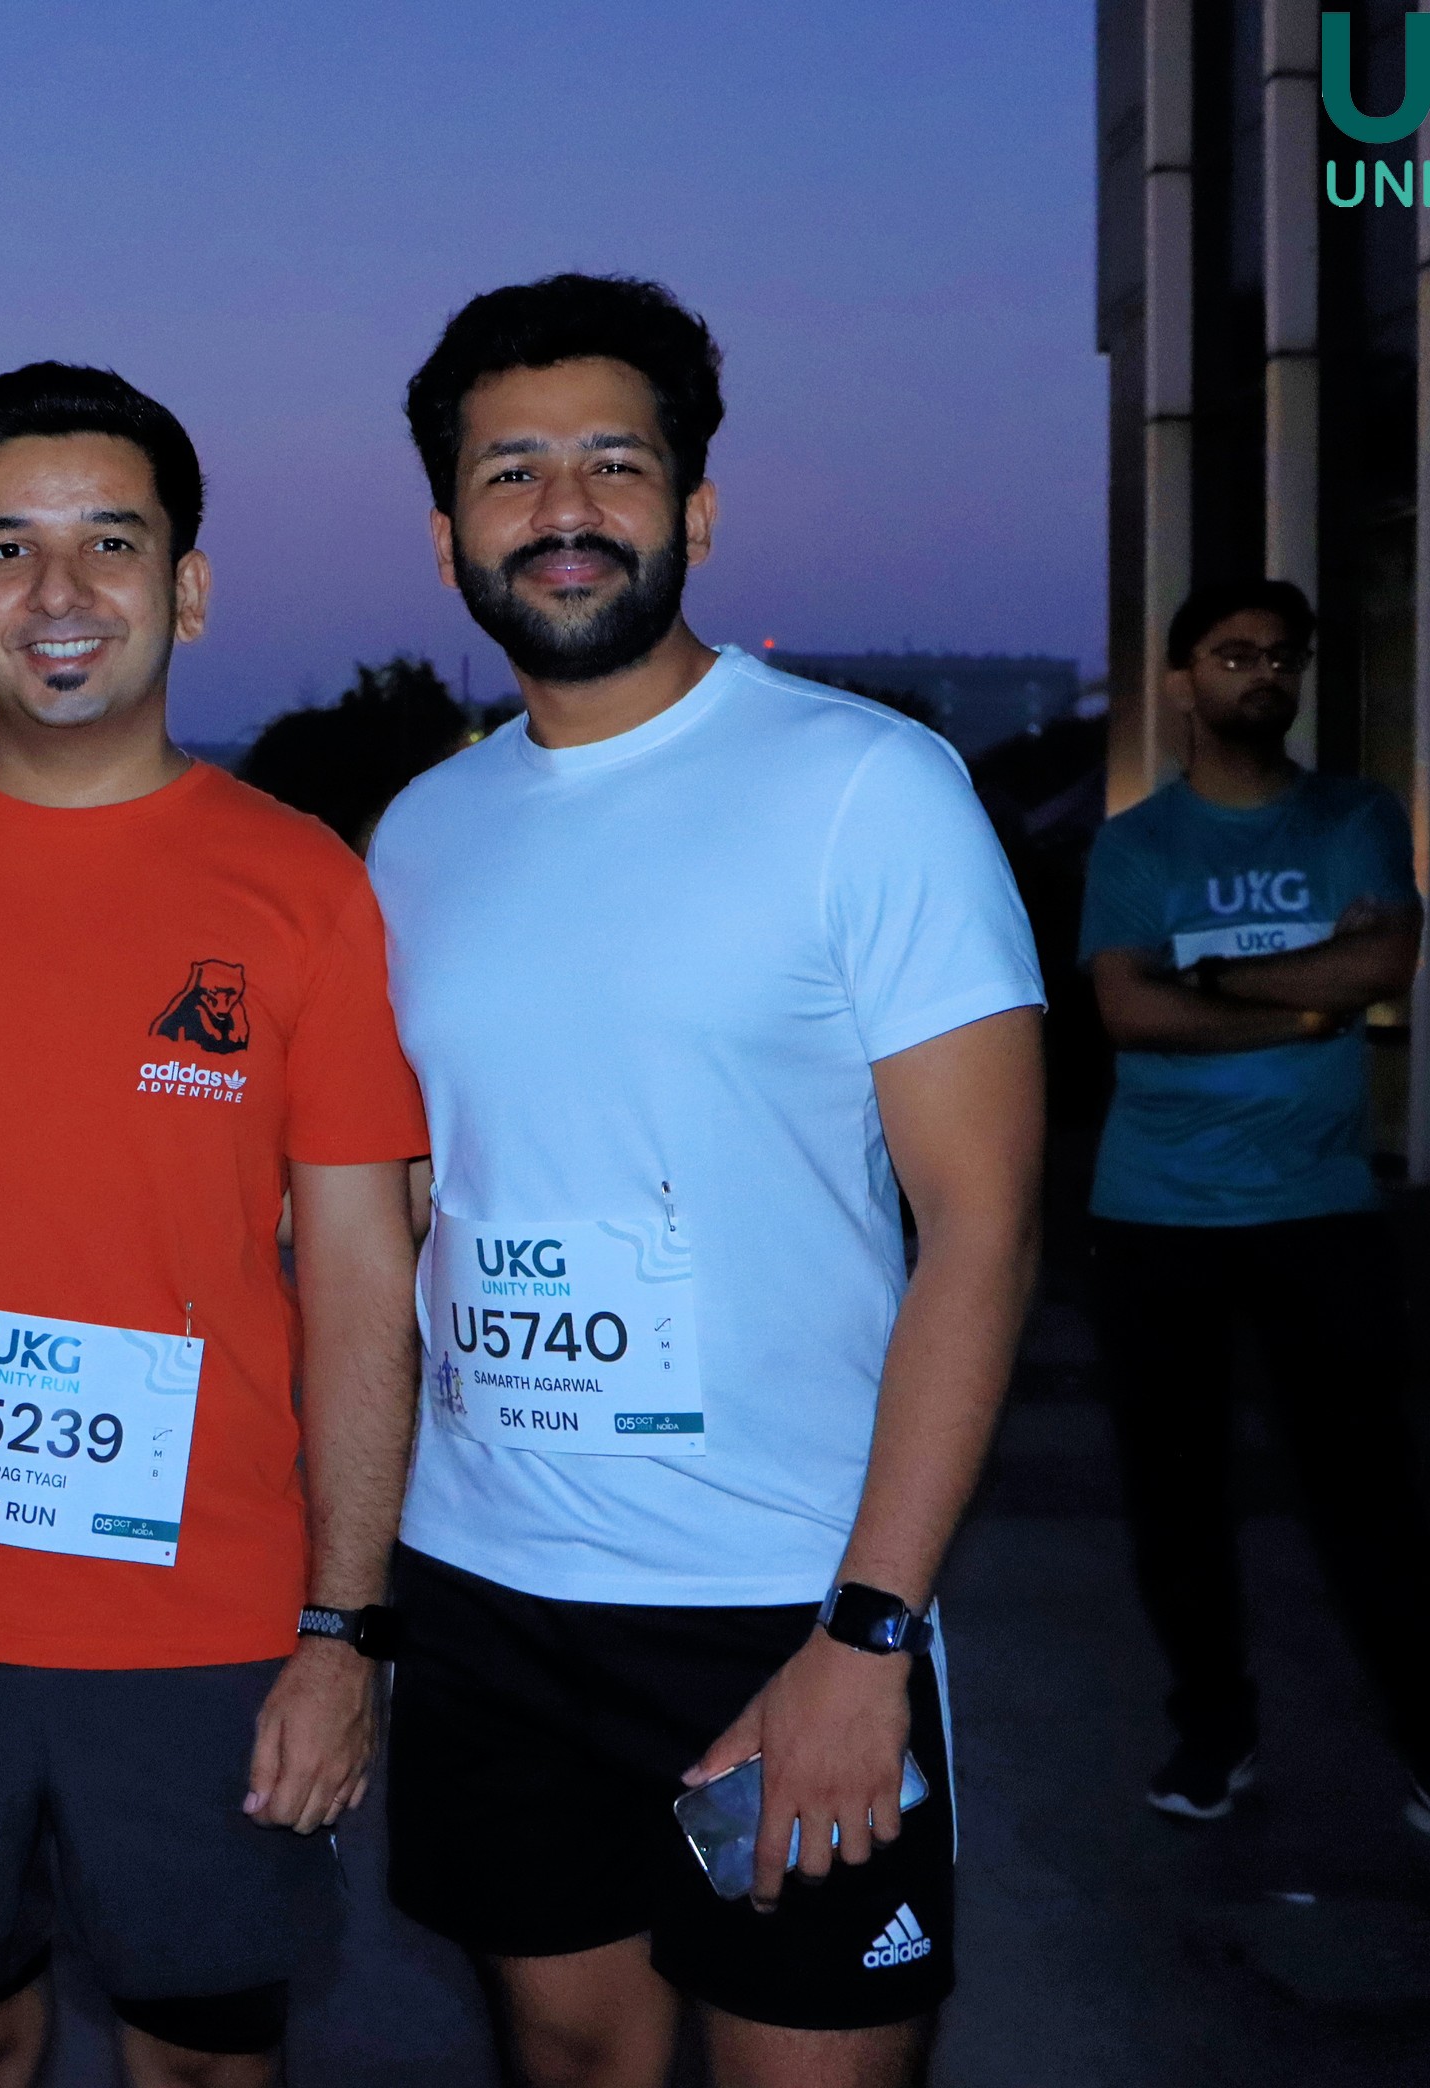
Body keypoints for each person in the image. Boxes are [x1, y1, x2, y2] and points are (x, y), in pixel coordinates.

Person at [365, 275, 1047, 2088]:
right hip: (488, 1597)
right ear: (447, 535)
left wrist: (868, 1631)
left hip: (780, 1606)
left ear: (698, 508)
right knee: (570, 2061)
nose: (564, 508)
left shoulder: (869, 790)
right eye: (511, 472)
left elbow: (983, 1229)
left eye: (614, 462)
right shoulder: (420, 835)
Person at [0, 363, 430, 2088]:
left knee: (203, 2060)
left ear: (187, 587)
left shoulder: (303, 888)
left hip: (205, 1626)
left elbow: (361, 1283)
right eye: (7, 548)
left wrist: (344, 1632)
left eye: (110, 543)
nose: (58, 592)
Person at [1079, 579, 1430, 1869]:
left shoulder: (1355, 815)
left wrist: (1211, 976)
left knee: (1368, 1506)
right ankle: (1213, 1735)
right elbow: (1130, 1012)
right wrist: (1300, 1005)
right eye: (1233, 656)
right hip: (1156, 1217)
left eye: (1283, 656)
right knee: (1178, 1507)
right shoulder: (1138, 847)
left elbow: (1382, 964)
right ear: (1182, 682)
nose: (1262, 674)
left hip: (1319, 1214)